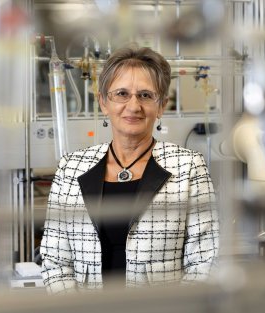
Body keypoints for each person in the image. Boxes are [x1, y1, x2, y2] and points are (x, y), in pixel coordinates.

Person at [40, 46, 219, 294]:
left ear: (161, 106)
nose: (133, 106)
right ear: (104, 102)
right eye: (122, 94)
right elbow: (55, 262)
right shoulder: (70, 168)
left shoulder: (188, 168)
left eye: (146, 95)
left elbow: (204, 263)